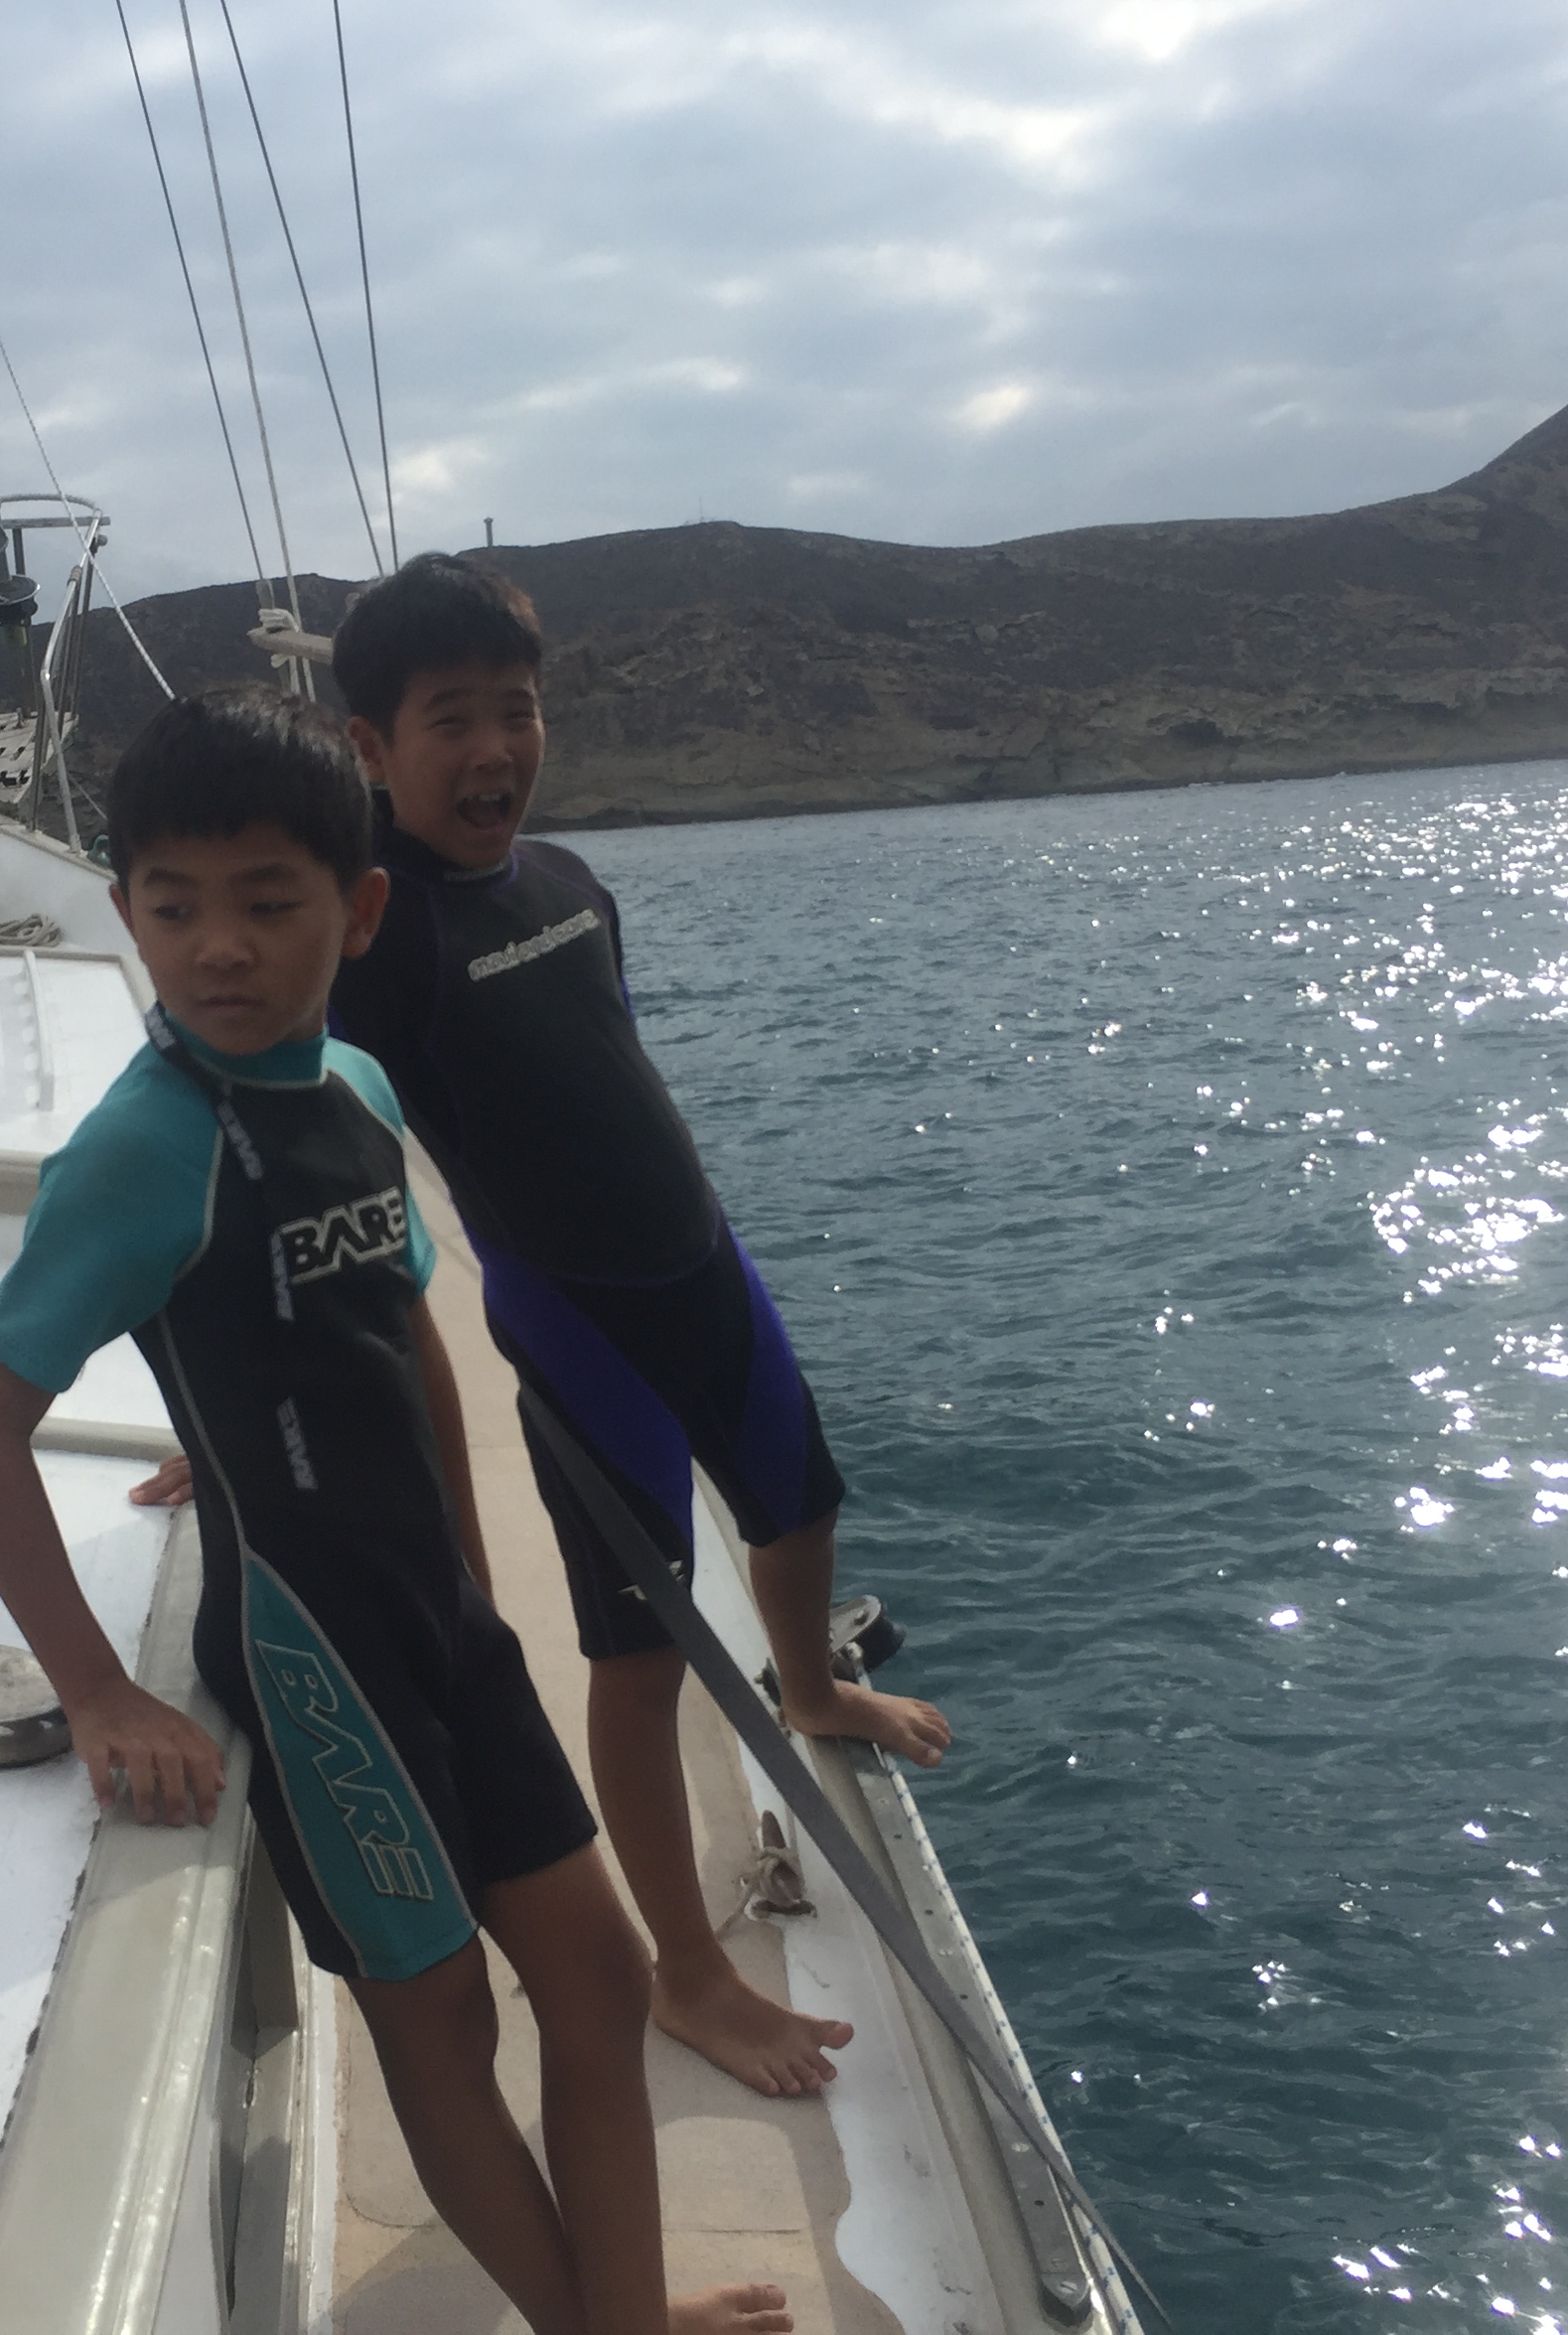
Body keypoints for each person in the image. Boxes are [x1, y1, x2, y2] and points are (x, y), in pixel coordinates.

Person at [0, 687, 787, 2335]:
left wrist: (472, 1573)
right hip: (313, 1659)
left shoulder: (358, 1093)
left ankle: (624, 2314)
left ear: (361, 907)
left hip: (444, 1629)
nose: (220, 947)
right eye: (174, 906)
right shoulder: (140, 1153)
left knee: (602, 1983)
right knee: (444, 2023)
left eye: (270, 901)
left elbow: (402, 1337)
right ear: (125, 912)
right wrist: (97, 1691)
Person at [317, 554, 954, 2103]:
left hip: (704, 1262)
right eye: (451, 719)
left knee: (801, 1505)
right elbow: (320, 1151)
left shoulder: (568, 881)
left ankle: (809, 1687)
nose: (495, 749)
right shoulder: (380, 939)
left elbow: (607, 1061)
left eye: (518, 710)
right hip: (575, 1315)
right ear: (371, 747)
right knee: (643, 1645)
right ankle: (686, 1969)